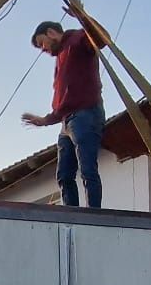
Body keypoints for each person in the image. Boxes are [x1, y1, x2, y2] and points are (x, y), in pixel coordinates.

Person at [21, 17, 105, 209]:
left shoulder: (77, 38)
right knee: (64, 175)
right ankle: (71, 213)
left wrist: (82, 16)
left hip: (85, 114)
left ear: (52, 33)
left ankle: (95, 215)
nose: (43, 49)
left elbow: (100, 39)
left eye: (42, 42)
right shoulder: (60, 58)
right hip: (66, 122)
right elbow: (63, 100)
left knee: (87, 170)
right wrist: (45, 120)